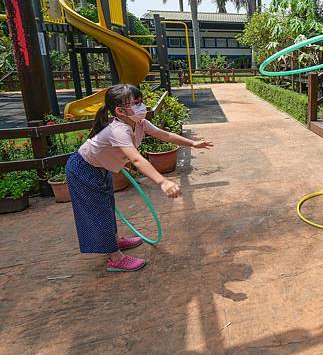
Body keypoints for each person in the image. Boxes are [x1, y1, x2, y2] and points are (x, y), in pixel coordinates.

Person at [65, 84, 212, 272]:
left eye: (141, 101)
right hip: (83, 170)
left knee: (108, 205)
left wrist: (193, 143)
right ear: (119, 110)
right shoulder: (119, 130)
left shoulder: (139, 123)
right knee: (98, 211)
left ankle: (115, 240)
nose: (142, 106)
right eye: (136, 103)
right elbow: (136, 158)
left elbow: (164, 135)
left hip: (99, 168)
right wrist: (163, 181)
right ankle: (115, 257)